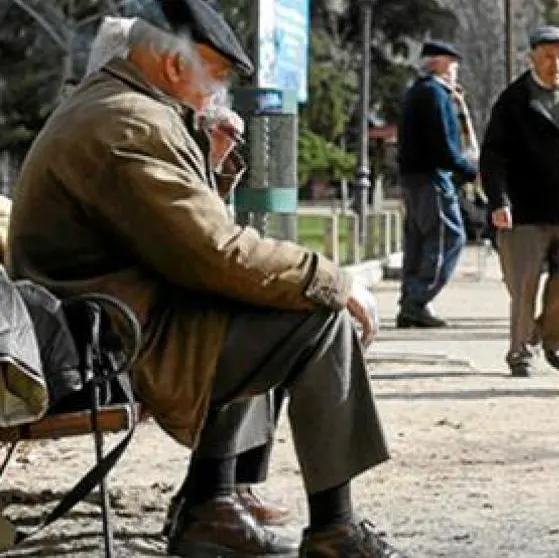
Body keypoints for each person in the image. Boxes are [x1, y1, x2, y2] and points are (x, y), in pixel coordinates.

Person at [6, 1, 402, 556]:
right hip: (106, 342)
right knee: (315, 320)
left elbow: (181, 241)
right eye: (216, 76)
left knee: (266, 299)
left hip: (103, 322)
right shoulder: (131, 122)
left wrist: (211, 160)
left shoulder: (121, 106)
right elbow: (215, 253)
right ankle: (333, 530)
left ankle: (212, 504)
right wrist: (335, 281)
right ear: (173, 67)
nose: (219, 92)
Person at [84, 13, 291, 537]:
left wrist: (213, 158)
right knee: (245, 306)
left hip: (131, 308)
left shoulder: (143, 116)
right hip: (113, 330)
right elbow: (186, 240)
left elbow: (184, 225)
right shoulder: (120, 121)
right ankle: (213, 495)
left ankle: (227, 488)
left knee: (262, 298)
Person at [480, 25, 559, 377]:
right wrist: (499, 199)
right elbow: (493, 156)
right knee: (524, 284)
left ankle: (549, 339)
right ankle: (519, 353)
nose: (555, 63)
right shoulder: (514, 100)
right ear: (532, 57)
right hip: (525, 209)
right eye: (547, 56)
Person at [396, 40, 477, 328]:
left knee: (418, 242)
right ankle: (417, 300)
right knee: (448, 237)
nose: (456, 70)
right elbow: (444, 145)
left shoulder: (417, 92)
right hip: (432, 177)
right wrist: (470, 170)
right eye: (453, 63)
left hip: (413, 178)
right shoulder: (434, 94)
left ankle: (411, 302)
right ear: (440, 63)